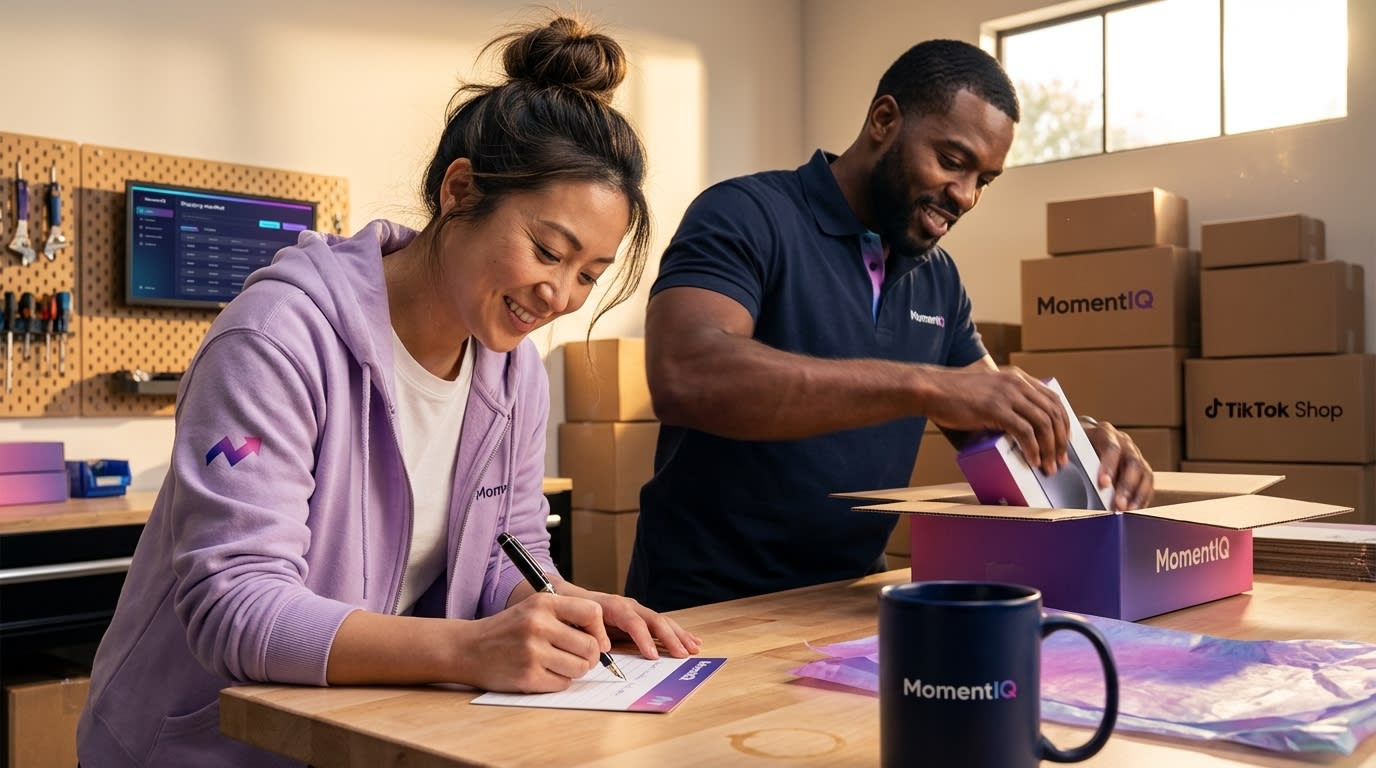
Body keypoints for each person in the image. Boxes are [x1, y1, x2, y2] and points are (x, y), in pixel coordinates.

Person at [78, 15, 699, 767]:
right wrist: (470, 649)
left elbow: (506, 554)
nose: (558, 296)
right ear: (460, 190)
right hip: (201, 750)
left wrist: (561, 604)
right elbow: (235, 607)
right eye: (546, 251)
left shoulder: (513, 373)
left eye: (588, 276)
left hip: (354, 738)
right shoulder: (276, 339)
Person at [625, 39, 1154, 612]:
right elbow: (687, 374)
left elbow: (991, 415)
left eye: (984, 180)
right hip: (701, 610)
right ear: (884, 120)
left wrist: (1078, 444)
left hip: (847, 602)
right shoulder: (745, 213)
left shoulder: (938, 278)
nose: (966, 196)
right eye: (951, 161)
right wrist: (924, 384)